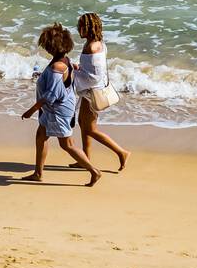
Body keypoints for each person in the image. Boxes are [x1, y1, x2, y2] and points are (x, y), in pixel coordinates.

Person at [21, 23, 102, 187]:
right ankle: (38, 173)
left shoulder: (56, 67)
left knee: (67, 145)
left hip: (57, 111)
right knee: (40, 136)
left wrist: (31, 110)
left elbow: (50, 96)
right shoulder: (65, 60)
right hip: (55, 109)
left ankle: (94, 171)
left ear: (51, 47)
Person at [72, 12, 130, 172]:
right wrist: (79, 68)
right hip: (89, 92)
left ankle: (121, 152)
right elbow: (94, 71)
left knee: (90, 128)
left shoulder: (92, 47)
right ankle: (85, 158)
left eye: (80, 26)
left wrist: (74, 73)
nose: (78, 29)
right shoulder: (98, 43)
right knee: (83, 124)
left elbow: (94, 77)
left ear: (87, 28)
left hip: (93, 93)